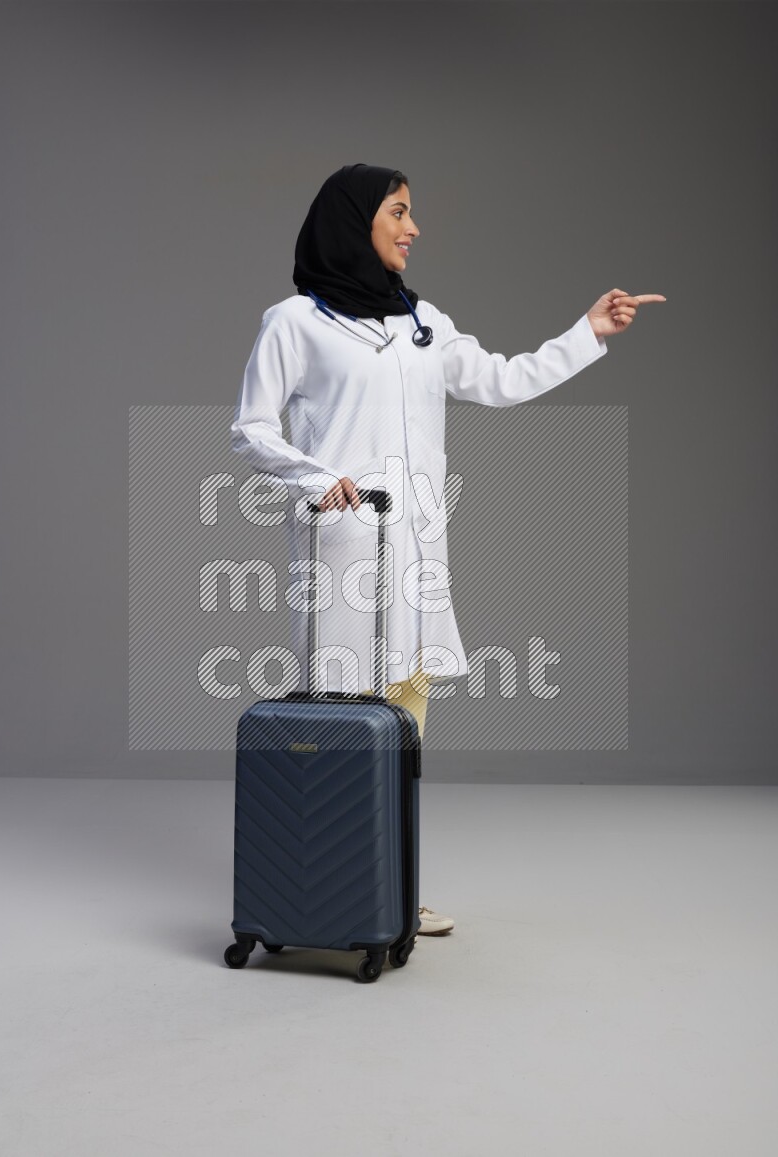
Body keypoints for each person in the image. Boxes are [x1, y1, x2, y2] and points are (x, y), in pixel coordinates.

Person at [231, 163, 665, 936]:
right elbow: (252, 430)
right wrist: (316, 477)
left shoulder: (421, 321)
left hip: (416, 550)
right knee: (339, 718)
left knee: (404, 723)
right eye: (399, 212)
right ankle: (325, 894)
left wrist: (588, 332)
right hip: (343, 547)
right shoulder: (295, 322)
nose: (414, 228)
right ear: (355, 220)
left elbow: (501, 380)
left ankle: (387, 889)